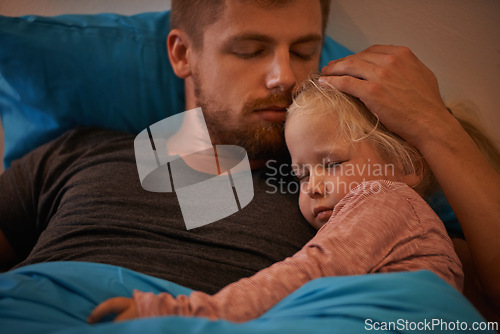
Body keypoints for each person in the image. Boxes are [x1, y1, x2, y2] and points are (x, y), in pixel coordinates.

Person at [0, 0, 499, 319]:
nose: (283, 76)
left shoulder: (348, 183)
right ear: (182, 55)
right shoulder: (80, 151)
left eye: (304, 51)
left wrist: (435, 127)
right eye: (251, 50)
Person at [87, 77, 465, 323]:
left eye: (331, 164)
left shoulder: (387, 199)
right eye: (301, 175)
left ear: (403, 164)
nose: (312, 186)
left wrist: (182, 313)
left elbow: (309, 274)